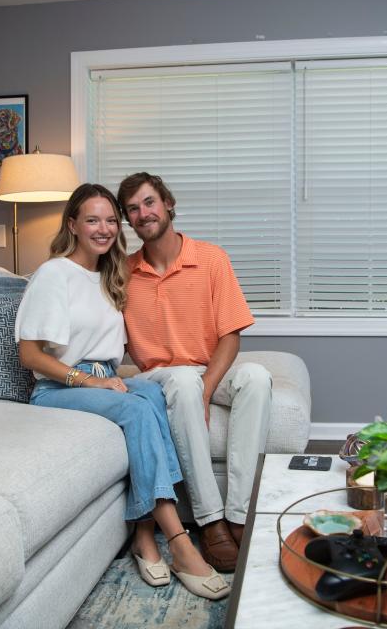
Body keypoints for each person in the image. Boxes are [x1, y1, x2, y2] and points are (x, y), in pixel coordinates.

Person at [14, 183, 229, 600]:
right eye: (92, 220)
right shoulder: (54, 273)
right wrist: (89, 381)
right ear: (72, 224)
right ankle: (180, 542)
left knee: (150, 396)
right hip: (59, 386)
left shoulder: (111, 275)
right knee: (136, 409)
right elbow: (29, 355)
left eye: (111, 220)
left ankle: (143, 537)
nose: (104, 228)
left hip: (105, 376)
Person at [116, 173, 273, 573]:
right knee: (183, 381)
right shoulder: (122, 274)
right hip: (158, 375)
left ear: (168, 204)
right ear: (128, 221)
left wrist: (206, 390)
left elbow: (231, 335)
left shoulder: (211, 258)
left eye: (149, 202)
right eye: (133, 209)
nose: (143, 213)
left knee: (256, 377)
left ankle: (239, 515)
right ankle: (210, 521)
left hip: (203, 367)